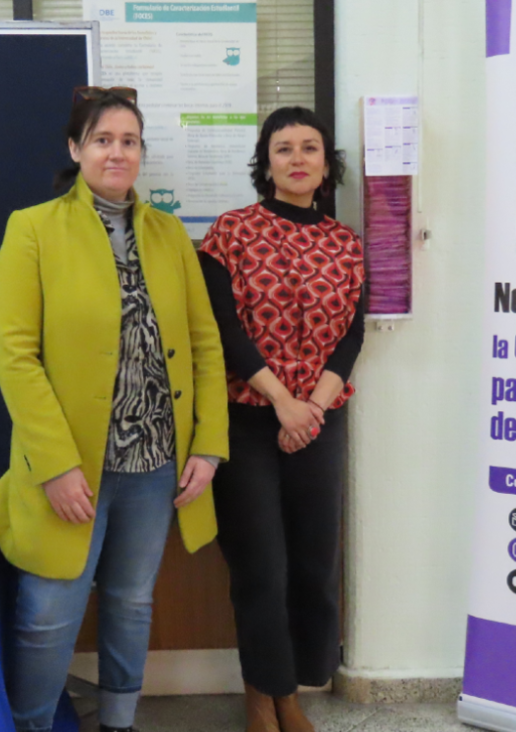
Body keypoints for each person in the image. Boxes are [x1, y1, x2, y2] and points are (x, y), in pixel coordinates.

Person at [0, 87, 229, 732]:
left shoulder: (169, 233)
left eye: (128, 141)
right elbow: (14, 356)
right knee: (46, 613)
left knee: (131, 602)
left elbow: (204, 342)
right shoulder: (32, 229)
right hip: (72, 468)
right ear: (75, 148)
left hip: (154, 463)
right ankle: (29, 724)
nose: (116, 152)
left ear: (141, 152)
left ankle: (119, 723)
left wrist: (208, 445)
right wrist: (56, 464)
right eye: (102, 140)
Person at [198, 106, 365, 732]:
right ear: (265, 163)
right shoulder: (231, 232)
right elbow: (224, 328)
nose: (298, 158)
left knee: (312, 565)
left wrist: (313, 407)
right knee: (260, 565)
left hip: (318, 422)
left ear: (326, 163)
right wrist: (282, 402)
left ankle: (289, 689)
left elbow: (350, 338)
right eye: (284, 148)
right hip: (247, 418)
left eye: (310, 148)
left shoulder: (346, 244)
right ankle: (261, 696)